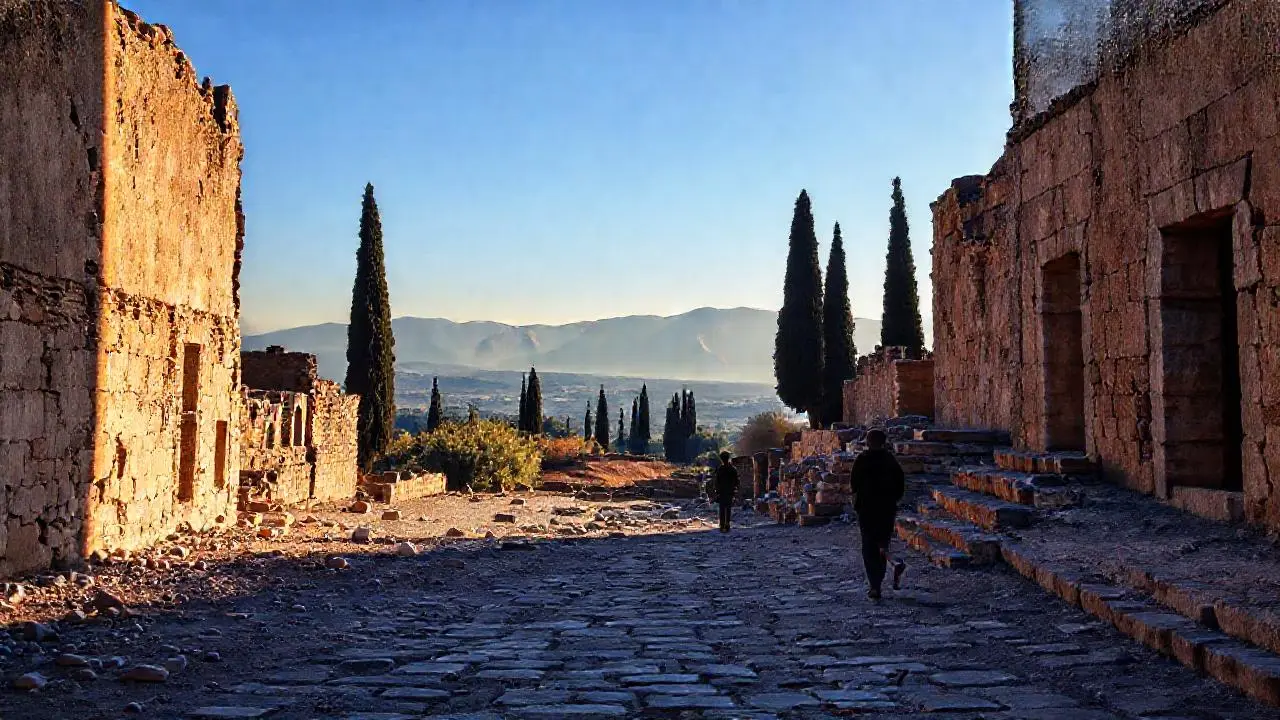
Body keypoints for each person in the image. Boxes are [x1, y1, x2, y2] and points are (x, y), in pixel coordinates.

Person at [850, 429, 906, 599]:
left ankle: (875, 585)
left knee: (869, 546)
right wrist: (892, 500)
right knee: (882, 543)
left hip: (867, 509)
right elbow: (900, 483)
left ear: (868, 442)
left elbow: (854, 484)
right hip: (886, 509)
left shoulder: (862, 460)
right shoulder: (890, 460)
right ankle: (889, 566)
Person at [713, 451, 739, 533]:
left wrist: (717, 491)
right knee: (728, 508)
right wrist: (735, 489)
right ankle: (727, 524)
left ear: (721, 459)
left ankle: (722, 525)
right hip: (730, 491)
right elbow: (737, 481)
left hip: (722, 492)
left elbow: (716, 481)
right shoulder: (733, 469)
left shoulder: (720, 469)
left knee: (722, 508)